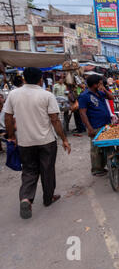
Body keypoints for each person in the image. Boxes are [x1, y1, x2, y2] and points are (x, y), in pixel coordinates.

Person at [4, 67, 71, 219]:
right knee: (47, 170)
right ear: (41, 80)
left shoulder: (13, 94)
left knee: (29, 170)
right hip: (46, 141)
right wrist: (64, 139)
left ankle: (26, 198)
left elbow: (8, 117)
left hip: (25, 142)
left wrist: (11, 137)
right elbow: (55, 120)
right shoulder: (47, 95)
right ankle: (48, 198)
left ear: (24, 79)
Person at [78, 75, 114, 177]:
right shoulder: (84, 96)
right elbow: (82, 113)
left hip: (106, 124)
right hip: (95, 125)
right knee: (96, 149)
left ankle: (104, 166)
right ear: (95, 84)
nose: (101, 85)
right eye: (100, 83)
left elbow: (111, 97)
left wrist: (105, 89)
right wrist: (89, 128)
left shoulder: (99, 93)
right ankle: (97, 169)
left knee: (106, 146)